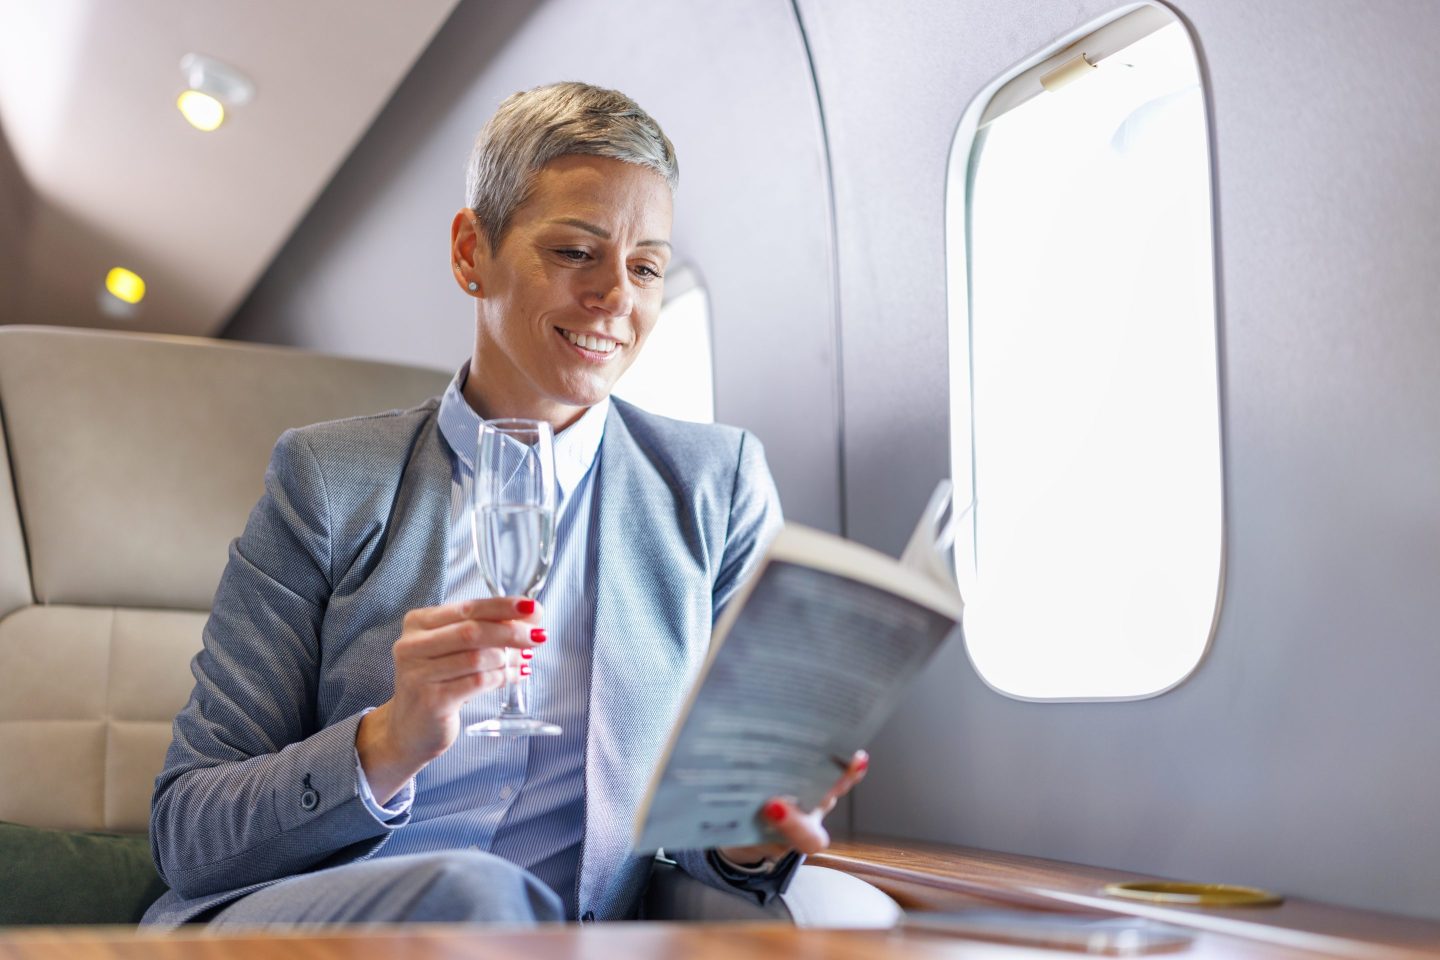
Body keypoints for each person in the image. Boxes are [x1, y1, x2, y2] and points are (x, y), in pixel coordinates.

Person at [142, 81, 867, 930]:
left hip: (576, 935)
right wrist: (386, 741)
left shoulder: (718, 487)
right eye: (573, 253)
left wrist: (747, 841)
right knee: (472, 896)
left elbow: (707, 841)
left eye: (645, 268)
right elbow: (187, 832)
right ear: (469, 253)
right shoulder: (328, 481)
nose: (615, 298)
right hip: (318, 924)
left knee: (851, 912)